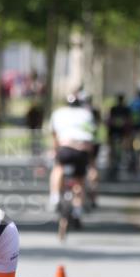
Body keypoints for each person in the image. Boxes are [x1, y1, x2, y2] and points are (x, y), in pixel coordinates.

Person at [47, 91, 97, 221]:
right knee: (79, 180)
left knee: (58, 168)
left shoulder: (58, 113)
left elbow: (55, 135)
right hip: (82, 150)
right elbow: (92, 136)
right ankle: (77, 210)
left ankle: (55, 196)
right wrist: (91, 161)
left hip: (65, 148)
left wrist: (54, 150)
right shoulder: (87, 114)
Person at [106, 93, 131, 179]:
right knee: (124, 149)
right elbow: (129, 122)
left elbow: (109, 121)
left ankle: (110, 166)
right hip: (123, 134)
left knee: (111, 151)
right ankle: (126, 163)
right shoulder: (126, 109)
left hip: (113, 132)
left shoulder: (113, 108)